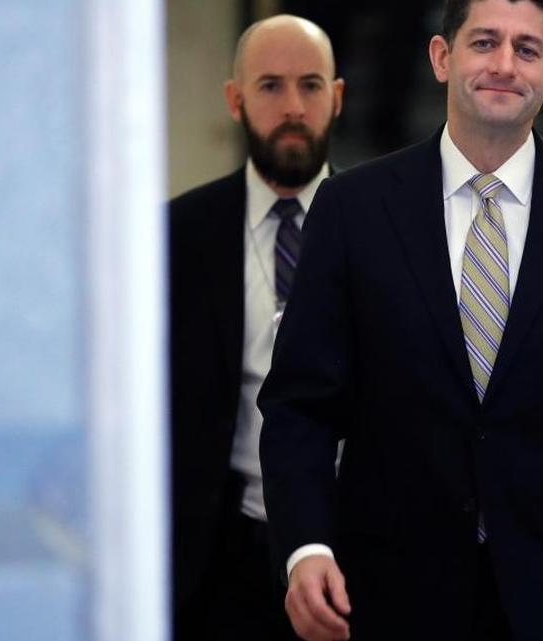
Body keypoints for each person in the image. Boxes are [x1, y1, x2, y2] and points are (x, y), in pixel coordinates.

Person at [258, 1, 543, 640]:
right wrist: (306, 547)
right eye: (484, 42)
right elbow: (300, 405)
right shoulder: (353, 208)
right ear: (442, 57)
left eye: (527, 49)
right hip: (394, 598)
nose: (504, 65)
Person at [167, 15, 343, 641]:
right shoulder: (176, 235)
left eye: (311, 85)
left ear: (338, 97)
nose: (293, 107)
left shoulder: (385, 229)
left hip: (351, 550)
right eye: (270, 86)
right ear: (234, 99)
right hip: (215, 555)